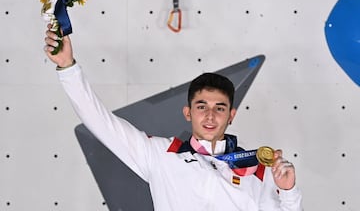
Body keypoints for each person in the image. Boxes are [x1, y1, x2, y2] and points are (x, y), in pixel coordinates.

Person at [43, 25, 303, 211]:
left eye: (220, 108)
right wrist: (68, 67)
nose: (210, 115)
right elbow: (100, 121)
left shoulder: (257, 168)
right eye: (202, 106)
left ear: (231, 115)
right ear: (188, 113)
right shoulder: (161, 154)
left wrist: (288, 192)